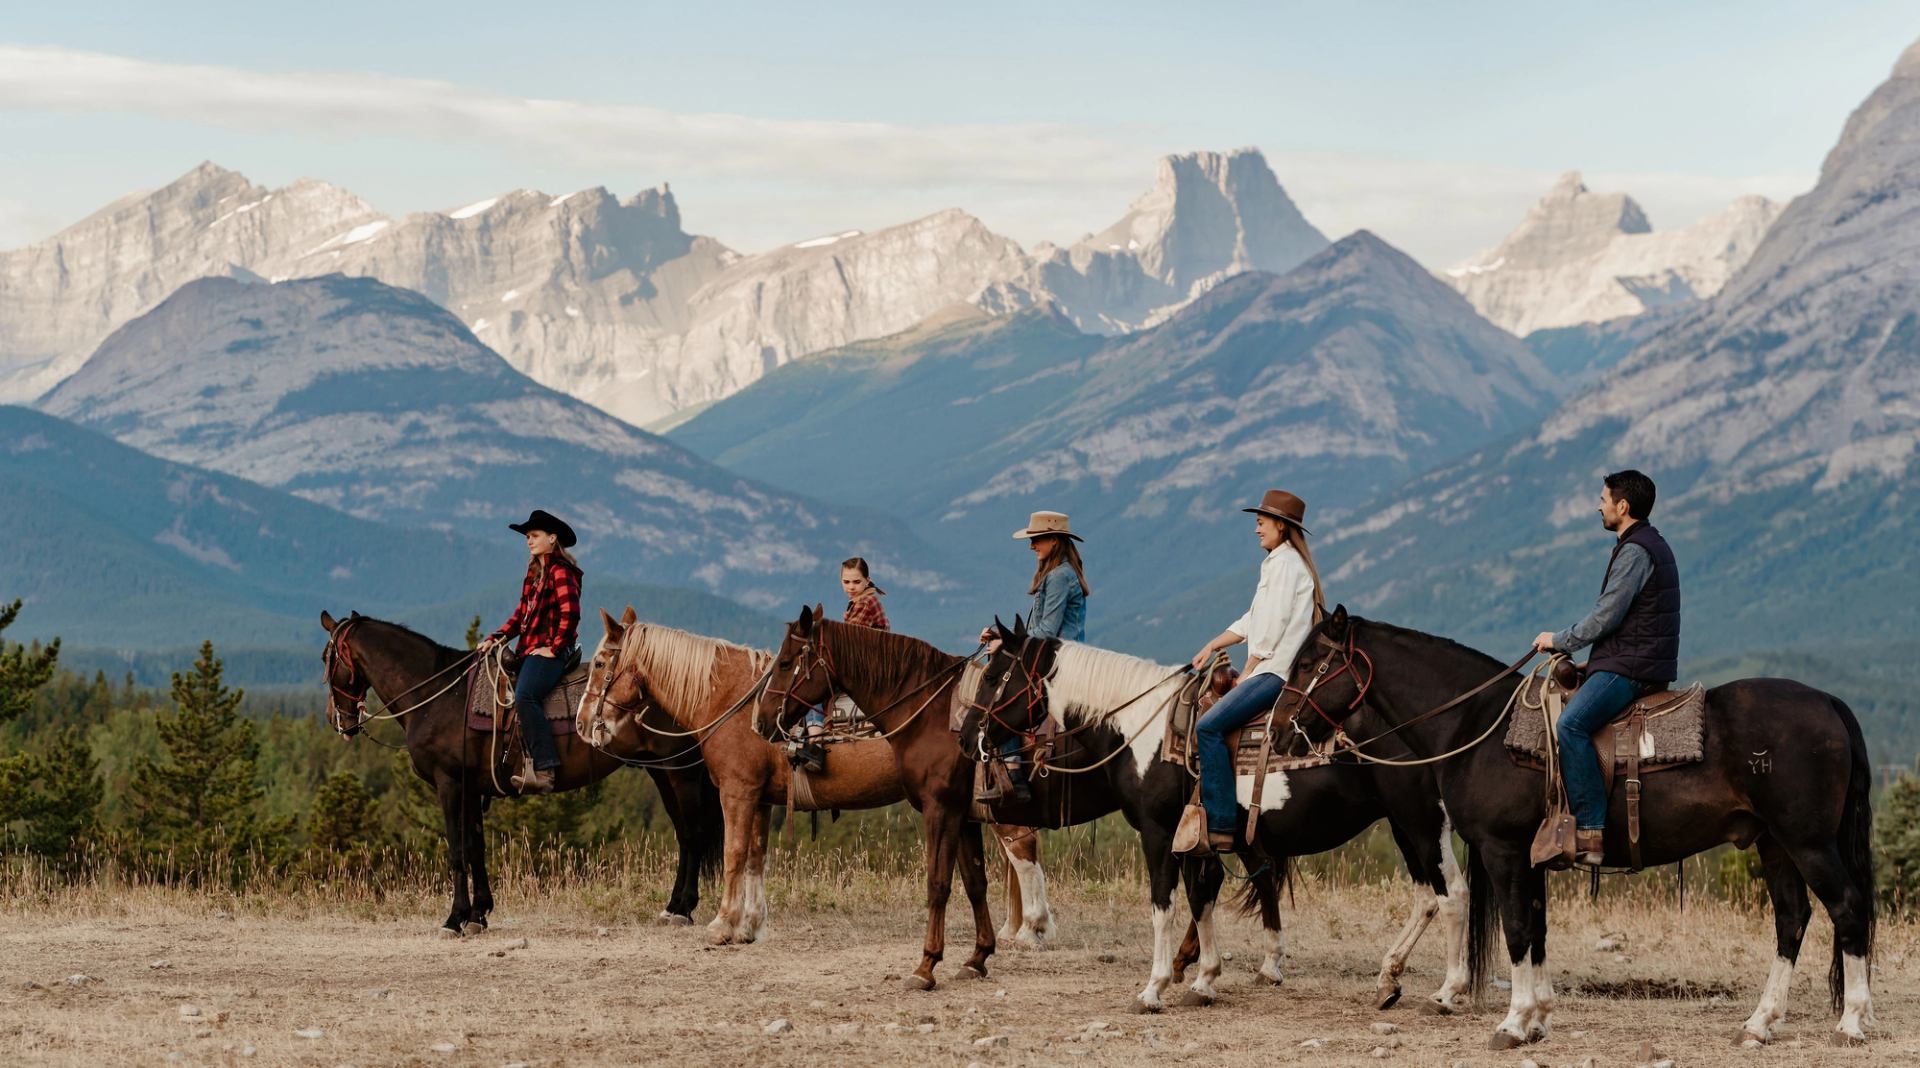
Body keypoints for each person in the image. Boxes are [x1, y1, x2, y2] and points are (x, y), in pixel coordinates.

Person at [1531, 469, 1680, 866]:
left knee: (1571, 726)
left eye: (1603, 499)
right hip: (1633, 660)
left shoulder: (1635, 551)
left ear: (1622, 506)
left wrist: (1557, 640)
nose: (1599, 505)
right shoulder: (1648, 543)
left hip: (1632, 670)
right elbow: (1633, 624)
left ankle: (1591, 833)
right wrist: (1593, 662)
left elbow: (1605, 617)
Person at [1186, 490, 1325, 853]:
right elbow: (1254, 619)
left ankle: (1219, 824)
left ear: (1281, 525)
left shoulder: (1285, 566)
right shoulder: (1282, 562)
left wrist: (1248, 669)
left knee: (1208, 726)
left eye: (1261, 523)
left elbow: (1270, 629)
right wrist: (1213, 644)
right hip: (1270, 665)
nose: (1256, 529)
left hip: (1274, 672)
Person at [978, 510, 1090, 803]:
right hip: (1056, 654)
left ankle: (1014, 774)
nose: (1032, 546)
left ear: (1054, 540)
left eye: (1037, 539)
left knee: (1007, 698)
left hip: (1057, 659)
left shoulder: (1058, 577)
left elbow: (1047, 630)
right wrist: (998, 634)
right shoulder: (1059, 573)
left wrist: (1004, 642)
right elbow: (1036, 628)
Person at [476, 509, 583, 795]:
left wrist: (556, 647)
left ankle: (545, 768)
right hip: (531, 649)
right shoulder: (534, 574)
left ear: (552, 538)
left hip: (551, 652)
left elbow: (570, 613)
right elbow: (520, 616)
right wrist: (496, 637)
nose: (528, 541)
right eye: (527, 537)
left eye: (534, 536)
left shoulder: (561, 571)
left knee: (525, 696)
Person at [792, 557, 890, 773]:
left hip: (866, 666)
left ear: (867, 580)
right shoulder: (865, 600)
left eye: (856, 582)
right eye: (846, 582)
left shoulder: (865, 603)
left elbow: (847, 643)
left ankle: (815, 744)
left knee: (811, 690)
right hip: (867, 662)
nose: (851, 587)